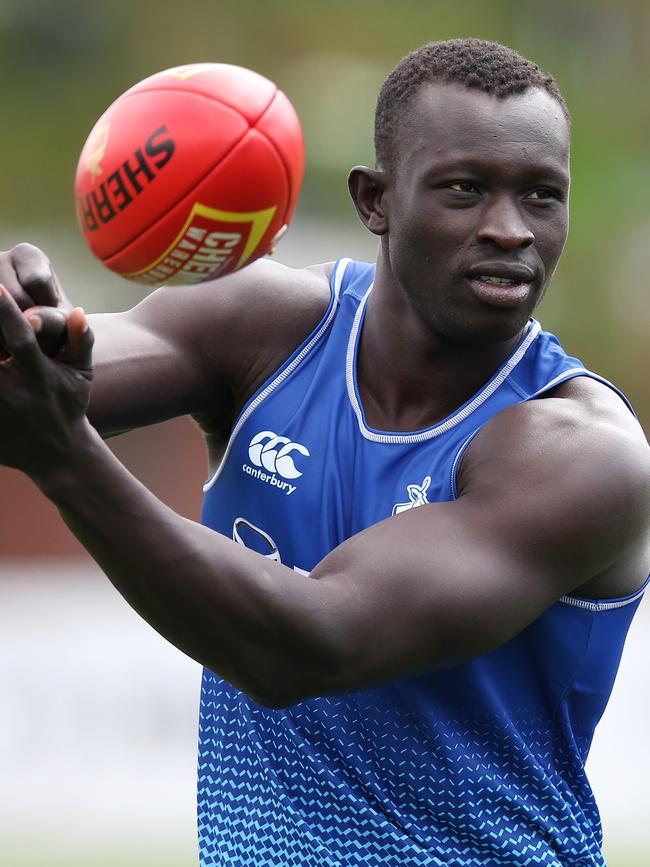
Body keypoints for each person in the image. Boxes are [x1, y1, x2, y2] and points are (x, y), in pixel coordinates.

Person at [0, 37, 648, 867]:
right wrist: (21, 339)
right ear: (376, 199)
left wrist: (65, 457)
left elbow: (306, 645)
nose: (510, 229)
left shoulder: (580, 453)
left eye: (542, 196)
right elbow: (62, 377)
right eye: (464, 188)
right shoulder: (264, 326)